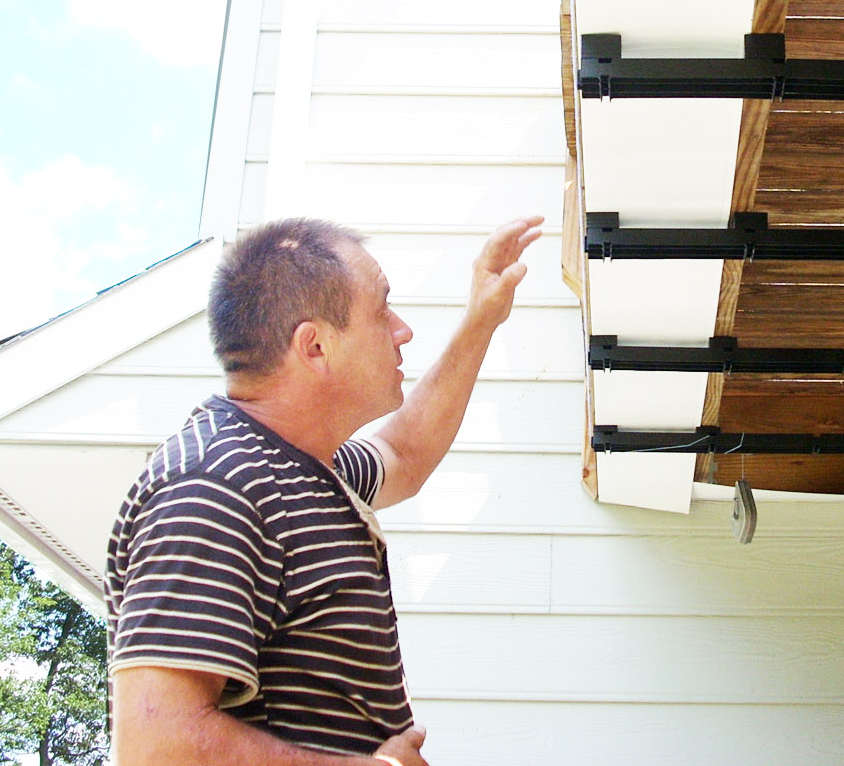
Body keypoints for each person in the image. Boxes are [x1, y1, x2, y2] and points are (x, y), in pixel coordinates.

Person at [106, 214, 543, 766]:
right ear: (314, 347)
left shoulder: (304, 472)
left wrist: (481, 318)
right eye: (382, 311)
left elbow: (404, 455)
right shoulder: (216, 485)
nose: (402, 329)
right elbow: (155, 747)